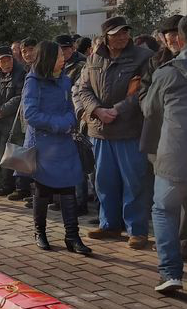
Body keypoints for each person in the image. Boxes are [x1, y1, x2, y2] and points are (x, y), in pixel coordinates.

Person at [75, 16, 153, 249]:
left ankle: (136, 230)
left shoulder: (143, 57)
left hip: (129, 130)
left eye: (125, 32)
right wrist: (97, 110)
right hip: (100, 131)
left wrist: (115, 111)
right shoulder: (94, 58)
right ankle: (109, 224)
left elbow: (141, 91)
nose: (122, 37)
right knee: (104, 181)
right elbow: (83, 88)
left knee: (134, 181)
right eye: (117, 33)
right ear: (106, 36)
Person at [23, 41, 91, 255]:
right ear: (49, 58)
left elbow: (71, 107)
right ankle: (40, 232)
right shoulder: (33, 81)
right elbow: (30, 114)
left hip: (64, 143)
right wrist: (59, 124)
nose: (64, 59)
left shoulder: (64, 80)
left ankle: (72, 236)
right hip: (43, 144)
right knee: (43, 189)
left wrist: (70, 120)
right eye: (60, 56)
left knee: (69, 187)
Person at [141, 15, 187, 293]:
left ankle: (171, 273)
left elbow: (149, 110)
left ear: (180, 39)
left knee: (164, 211)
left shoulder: (167, 72)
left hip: (174, 157)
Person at [0, 46, 27, 197]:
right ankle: (6, 186)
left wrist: (3, 109)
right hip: (2, 123)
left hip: (16, 122)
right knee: (4, 155)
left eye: (8, 59)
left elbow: (20, 97)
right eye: (2, 61)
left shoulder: (21, 74)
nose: (6, 63)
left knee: (18, 156)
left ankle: (21, 189)